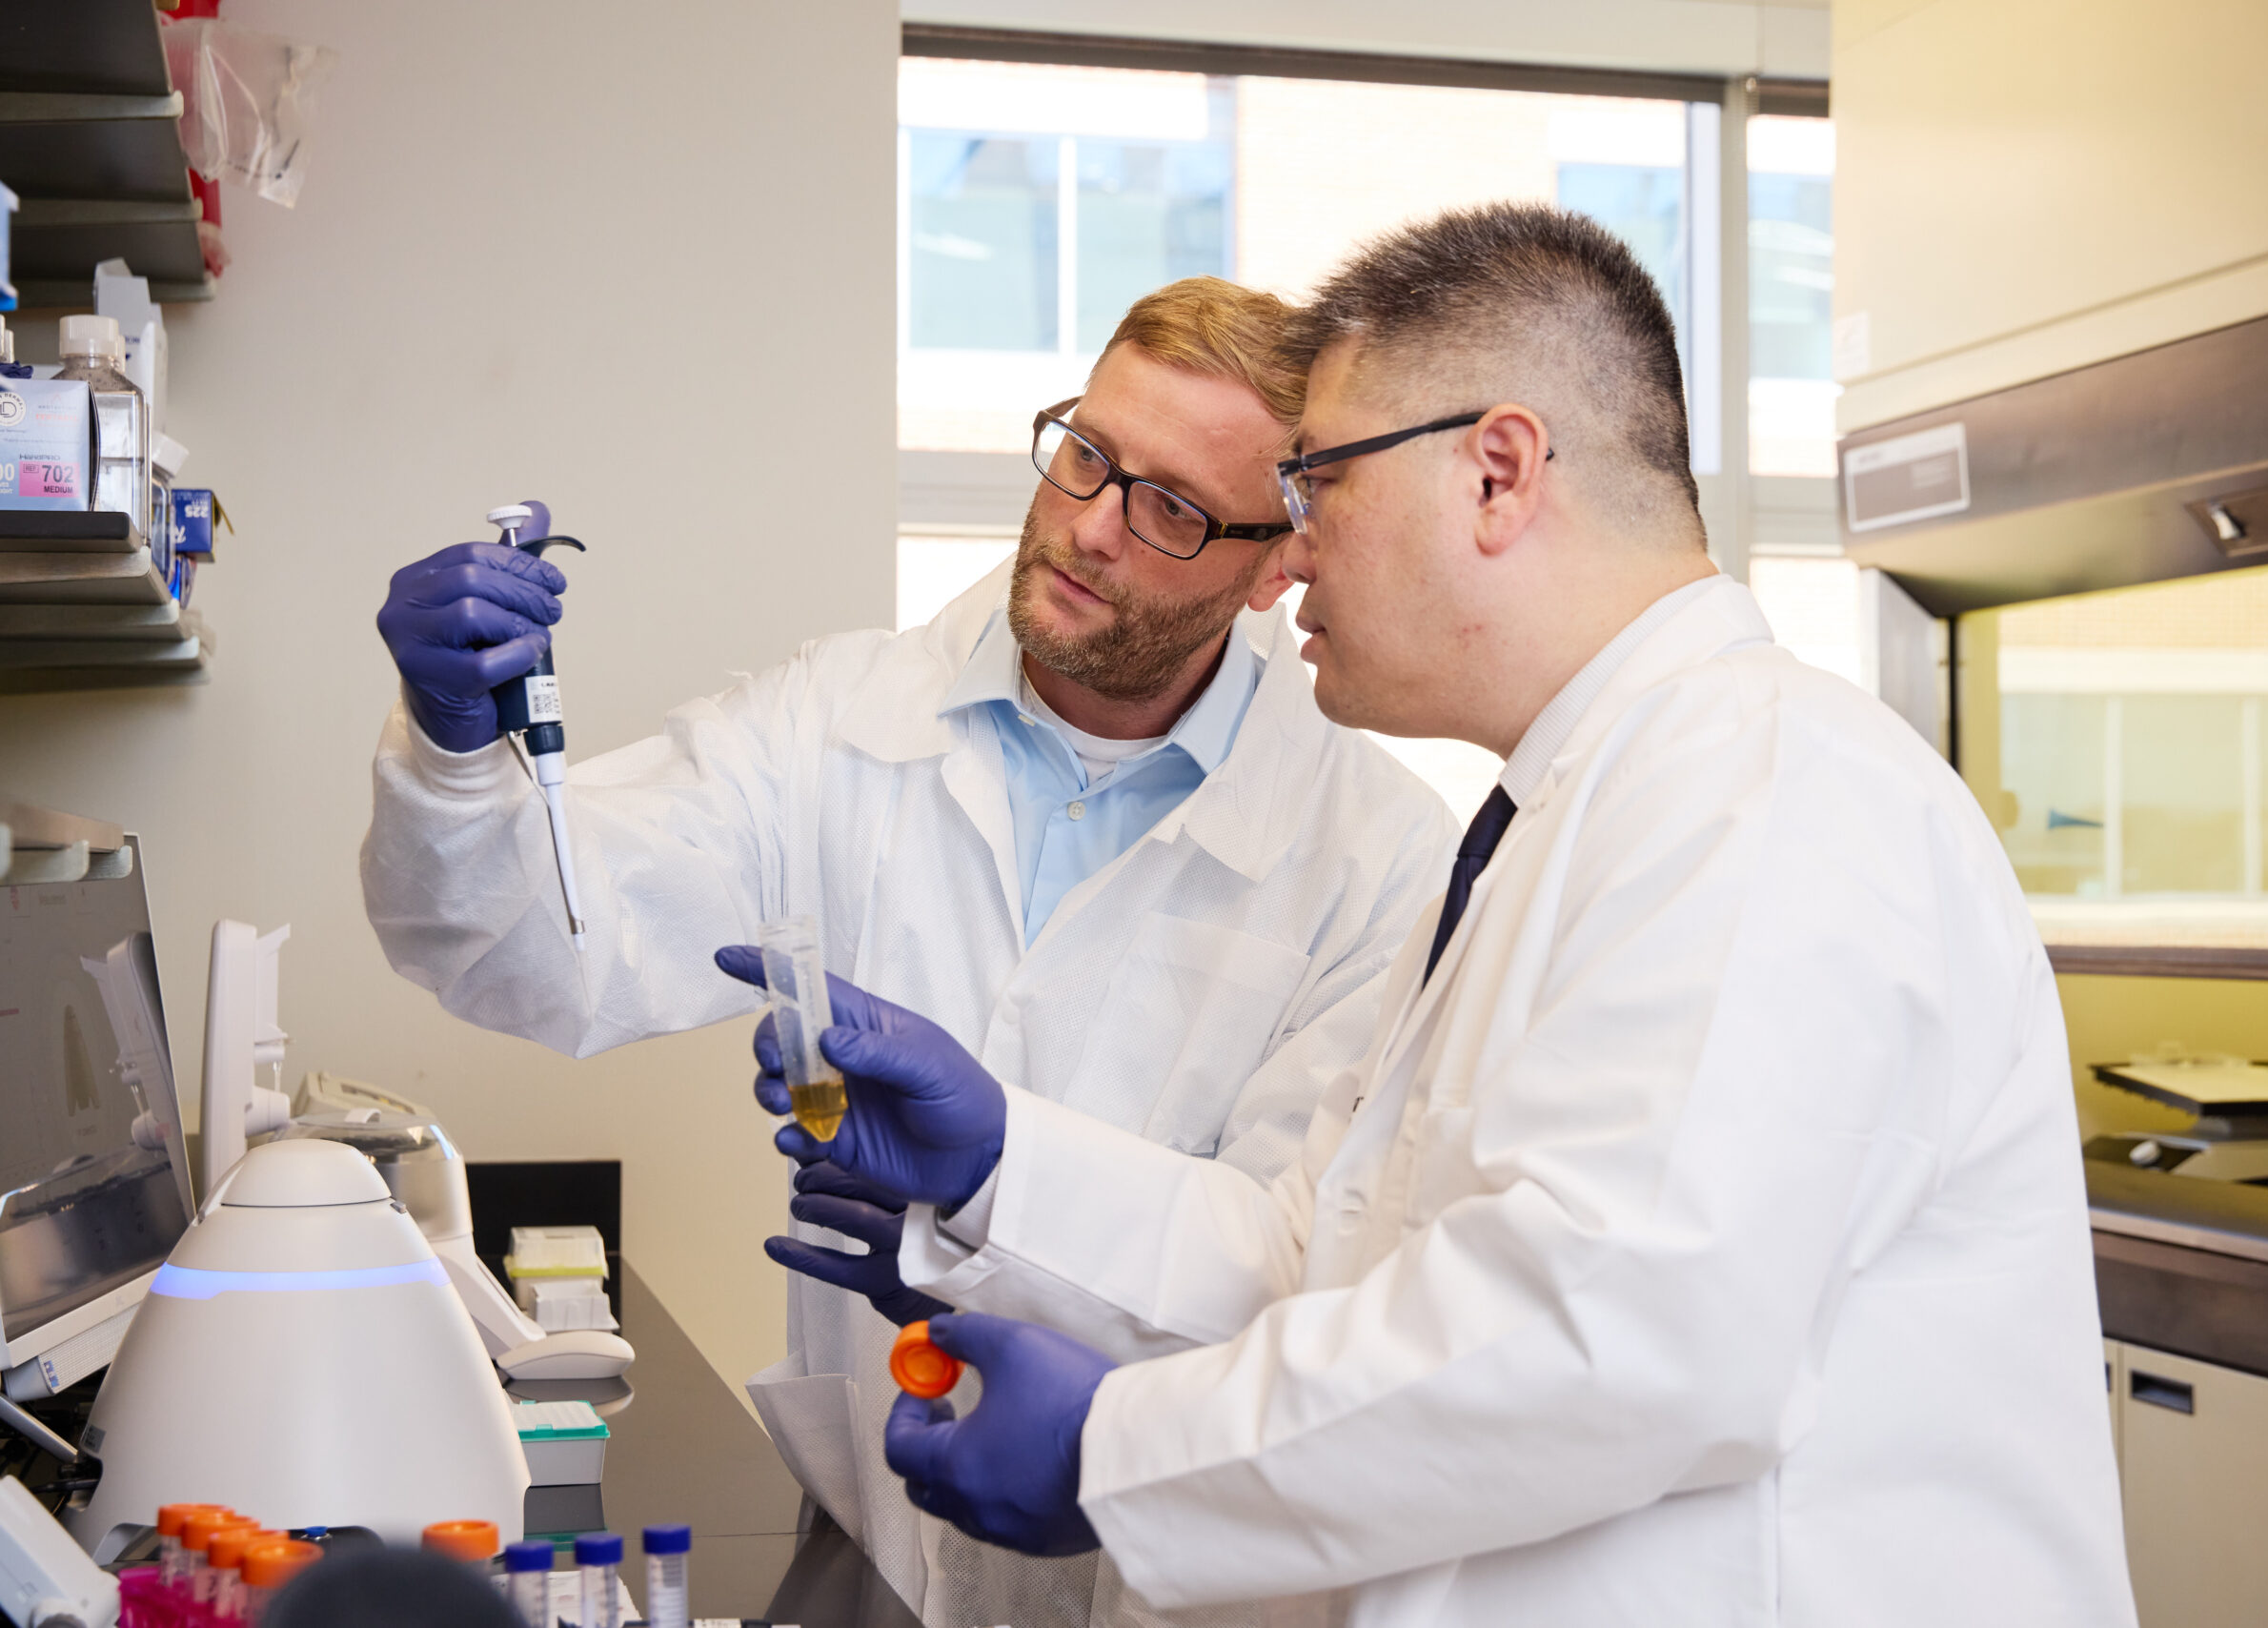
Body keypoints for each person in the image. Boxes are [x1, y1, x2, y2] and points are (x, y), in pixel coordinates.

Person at [773, 204, 2139, 1626]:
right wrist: (1005, 1160)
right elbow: (1324, 1258)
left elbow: (1610, 1336)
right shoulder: (1547, 827)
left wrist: (1116, 1456)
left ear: (1498, 473)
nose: (1281, 559)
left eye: (1314, 488)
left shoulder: (1765, 792)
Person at [359, 276, 1458, 1628]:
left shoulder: (1379, 858)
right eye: (1085, 454)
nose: (1089, 528)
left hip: (1168, 1585)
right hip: (878, 1551)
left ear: (1280, 557)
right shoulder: (835, 723)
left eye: (1169, 508)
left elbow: (1298, 1285)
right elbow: (528, 949)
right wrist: (459, 750)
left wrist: (998, 1200)